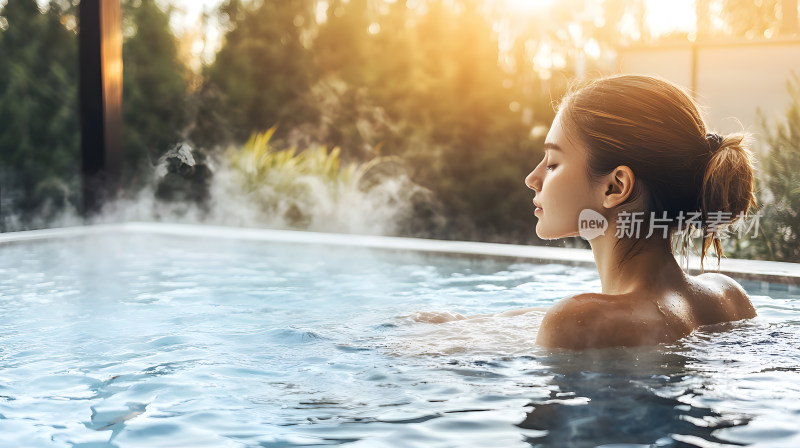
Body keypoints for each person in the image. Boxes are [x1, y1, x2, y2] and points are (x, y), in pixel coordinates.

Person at [410, 74, 758, 350]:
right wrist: (472, 322)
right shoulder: (726, 298)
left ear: (615, 187)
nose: (532, 178)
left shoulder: (576, 321)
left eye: (554, 162)